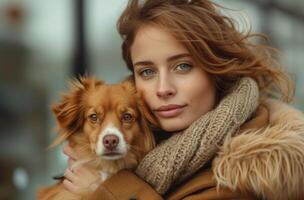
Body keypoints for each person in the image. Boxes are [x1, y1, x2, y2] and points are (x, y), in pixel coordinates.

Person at [62, 0, 304, 199]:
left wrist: (107, 190)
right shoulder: (129, 151)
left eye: (183, 66)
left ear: (217, 70)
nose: (163, 88)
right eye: (147, 72)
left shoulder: (247, 174)